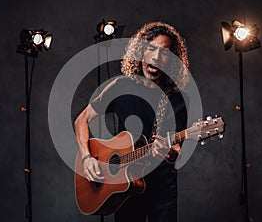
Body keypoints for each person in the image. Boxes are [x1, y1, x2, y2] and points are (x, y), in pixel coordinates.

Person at [74, 21, 189, 222]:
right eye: (151, 49)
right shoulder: (120, 86)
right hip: (123, 187)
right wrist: (86, 158)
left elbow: (177, 147)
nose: (156, 57)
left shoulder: (176, 99)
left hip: (161, 188)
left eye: (165, 52)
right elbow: (81, 120)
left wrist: (170, 153)